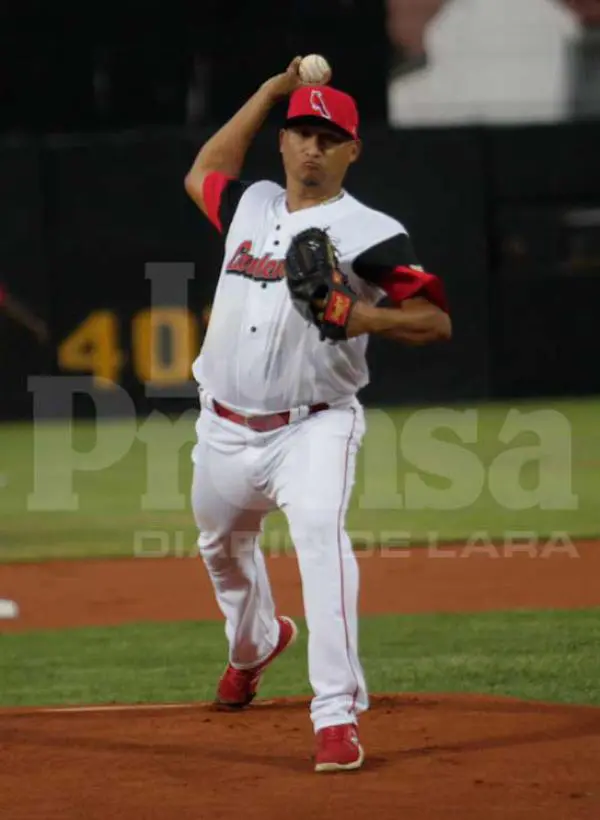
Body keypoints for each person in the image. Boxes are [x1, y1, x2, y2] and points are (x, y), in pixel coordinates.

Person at [184, 57, 451, 773]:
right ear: (282, 140)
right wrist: (268, 91)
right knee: (222, 553)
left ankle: (335, 714)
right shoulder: (251, 205)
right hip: (222, 427)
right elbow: (202, 171)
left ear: (351, 151)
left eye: (329, 138)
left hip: (314, 425)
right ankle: (255, 645)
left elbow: (434, 320)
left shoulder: (371, 231)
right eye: (301, 131)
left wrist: (361, 316)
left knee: (320, 545)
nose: (312, 147)